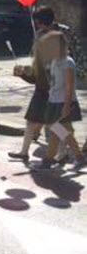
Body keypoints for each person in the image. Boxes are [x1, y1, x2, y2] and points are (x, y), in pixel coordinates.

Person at [8, 8, 57, 163]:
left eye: (38, 22)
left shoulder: (59, 37)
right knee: (32, 121)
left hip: (54, 88)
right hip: (42, 87)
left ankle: (64, 152)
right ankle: (24, 152)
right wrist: (24, 72)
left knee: (55, 124)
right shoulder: (42, 35)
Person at [39, 31, 83, 167]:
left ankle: (49, 159)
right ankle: (78, 157)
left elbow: (69, 86)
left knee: (60, 131)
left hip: (63, 102)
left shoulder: (67, 62)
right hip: (54, 101)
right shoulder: (54, 61)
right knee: (60, 131)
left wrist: (66, 105)